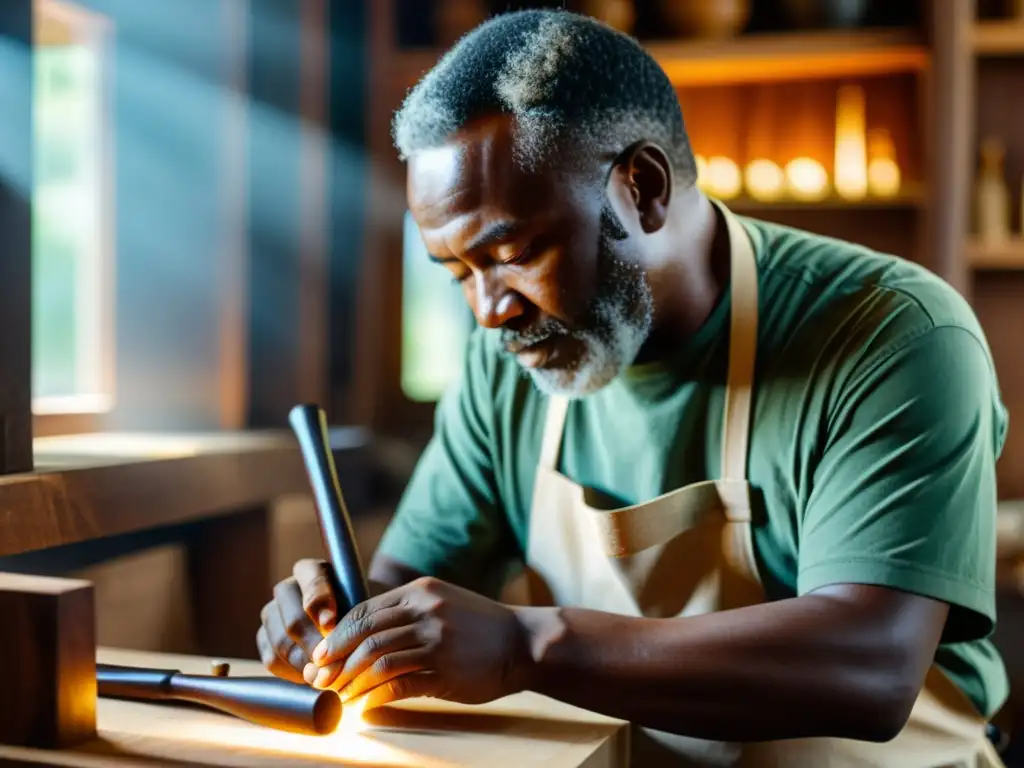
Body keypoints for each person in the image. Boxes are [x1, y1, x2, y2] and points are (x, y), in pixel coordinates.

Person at [257, 9, 1011, 766]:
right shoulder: (509, 364)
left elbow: (871, 667)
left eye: (513, 252)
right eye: (459, 273)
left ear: (641, 188)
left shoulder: (892, 335)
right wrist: (342, 623)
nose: (490, 311)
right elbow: (412, 588)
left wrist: (527, 644)